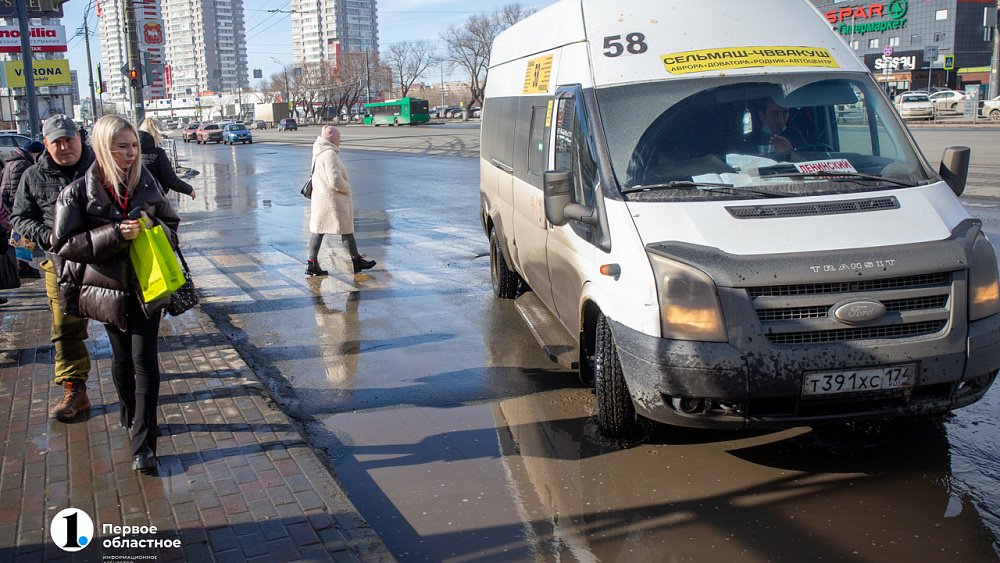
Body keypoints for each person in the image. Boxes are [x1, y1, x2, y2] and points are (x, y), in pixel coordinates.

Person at [52, 115, 180, 474]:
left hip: (147, 285)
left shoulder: (146, 181)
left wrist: (151, 228)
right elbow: (63, 245)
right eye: (121, 146)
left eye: (134, 145)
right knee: (122, 359)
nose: (130, 152)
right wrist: (114, 235)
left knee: (145, 360)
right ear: (103, 149)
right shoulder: (78, 192)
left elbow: (171, 223)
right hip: (107, 291)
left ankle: (144, 442)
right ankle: (128, 413)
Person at [11, 115, 96, 421]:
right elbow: (20, 217)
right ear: (45, 143)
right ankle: (75, 389)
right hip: (60, 263)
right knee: (65, 326)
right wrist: (49, 236)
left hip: (105, 257)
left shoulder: (101, 166)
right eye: (56, 141)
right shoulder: (33, 176)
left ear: (80, 138)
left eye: (68, 139)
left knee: (123, 321)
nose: (64, 147)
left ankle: (133, 381)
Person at [305, 125, 375, 276]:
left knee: (319, 230)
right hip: (333, 200)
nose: (340, 141)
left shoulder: (318, 152)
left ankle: (312, 264)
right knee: (346, 230)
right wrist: (347, 187)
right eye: (338, 139)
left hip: (321, 199)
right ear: (333, 139)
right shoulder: (329, 154)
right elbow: (335, 180)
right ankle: (356, 261)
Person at [2, 140, 46, 279]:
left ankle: (23, 264)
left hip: (8, 203)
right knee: (22, 235)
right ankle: (22, 265)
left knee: (19, 235)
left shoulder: (11, 161)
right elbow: (18, 188)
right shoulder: (23, 164)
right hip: (16, 204)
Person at [138, 118, 196, 200]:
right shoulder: (157, 153)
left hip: (133, 200)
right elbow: (170, 180)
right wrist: (189, 190)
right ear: (157, 132)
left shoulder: (132, 151)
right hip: (154, 198)